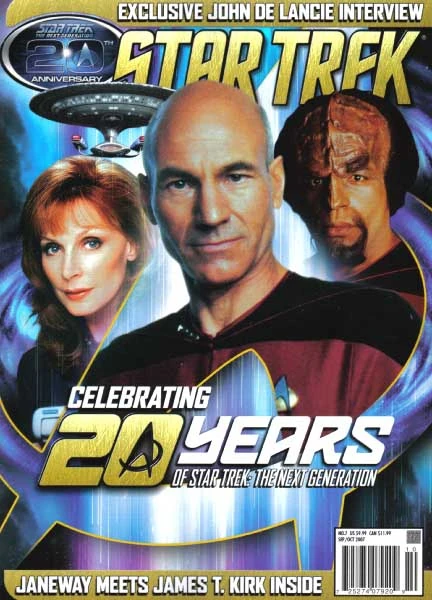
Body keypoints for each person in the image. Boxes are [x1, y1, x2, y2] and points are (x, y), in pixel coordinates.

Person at [87, 81, 420, 418]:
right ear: (147, 200)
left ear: (276, 183)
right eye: (181, 184)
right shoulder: (115, 371)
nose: (212, 214)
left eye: (235, 177)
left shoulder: (374, 330)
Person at [12, 156, 151, 441]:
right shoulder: (39, 370)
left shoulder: (180, 351)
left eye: (91, 243)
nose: (68, 270)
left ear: (132, 244)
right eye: (53, 248)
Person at [274, 90, 424, 314]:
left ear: (391, 183)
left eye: (357, 178)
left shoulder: (421, 289)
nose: (334, 201)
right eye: (315, 181)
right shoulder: (287, 291)